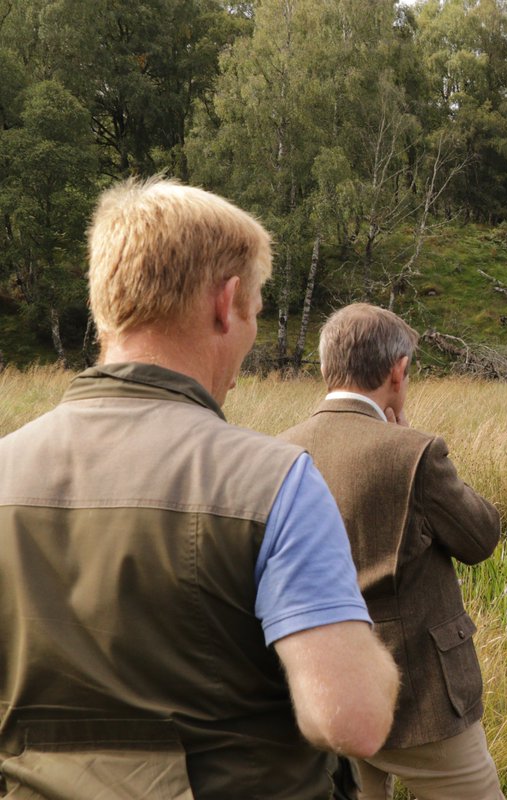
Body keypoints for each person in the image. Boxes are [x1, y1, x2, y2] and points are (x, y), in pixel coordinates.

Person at [0, 178, 398, 799]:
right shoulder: (276, 482)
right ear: (226, 302)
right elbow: (350, 719)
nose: (250, 337)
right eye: (256, 313)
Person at [281, 304, 505, 800]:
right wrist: (408, 444)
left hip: (322, 690)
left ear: (326, 366)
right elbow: (480, 537)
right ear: (398, 372)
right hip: (423, 695)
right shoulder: (414, 452)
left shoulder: (279, 451)